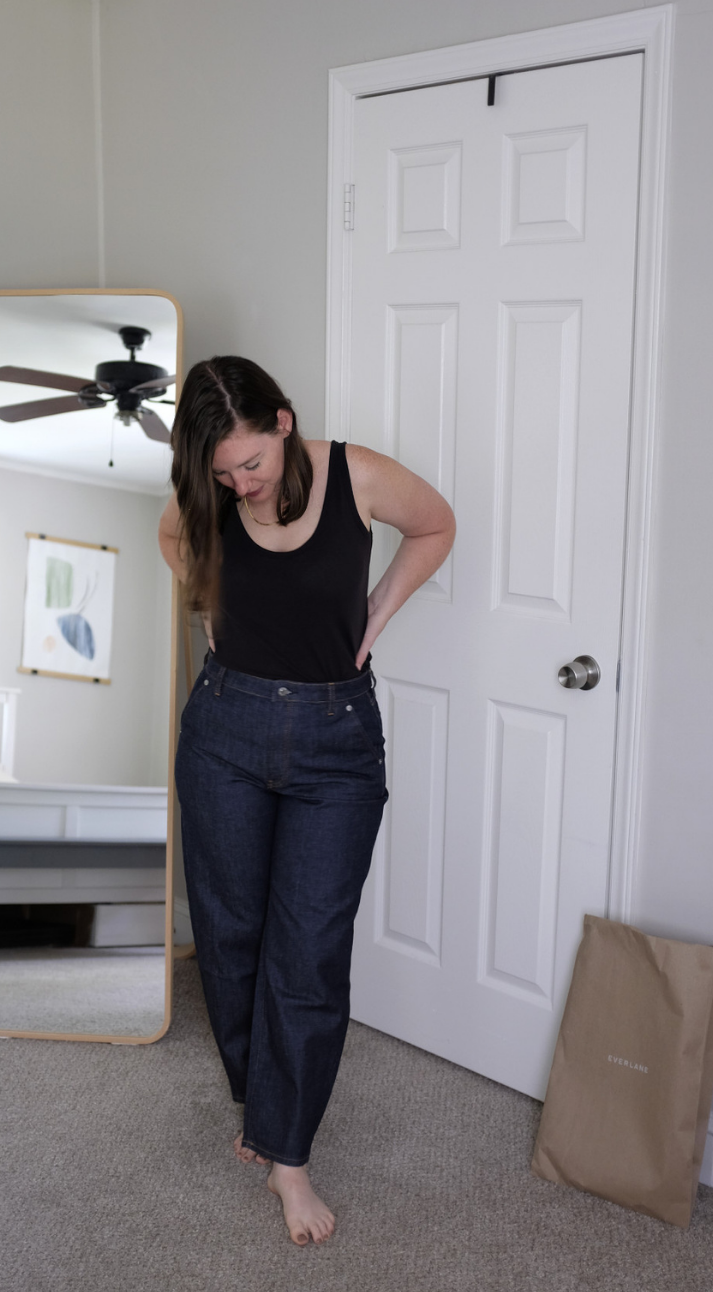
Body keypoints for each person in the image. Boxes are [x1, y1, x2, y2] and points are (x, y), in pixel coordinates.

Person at [157, 356, 454, 1245]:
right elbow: (173, 535)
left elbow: (437, 526)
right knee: (232, 930)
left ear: (283, 423)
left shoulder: (355, 473)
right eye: (223, 475)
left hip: (336, 743)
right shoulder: (210, 494)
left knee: (311, 946)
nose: (241, 486)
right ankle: (264, 1099)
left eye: (250, 463)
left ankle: (290, 1155)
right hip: (225, 730)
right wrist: (205, 596)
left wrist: (378, 613)